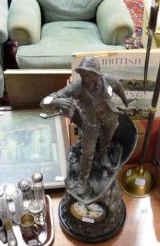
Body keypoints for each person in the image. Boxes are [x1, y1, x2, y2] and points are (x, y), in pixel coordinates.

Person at [40, 56, 129, 195]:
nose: (83, 77)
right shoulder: (77, 86)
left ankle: (103, 154)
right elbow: (45, 101)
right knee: (87, 152)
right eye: (82, 74)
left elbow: (118, 86)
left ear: (96, 74)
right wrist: (56, 102)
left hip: (109, 118)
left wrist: (125, 99)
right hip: (90, 123)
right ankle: (82, 180)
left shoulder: (107, 80)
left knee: (107, 138)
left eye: (87, 74)